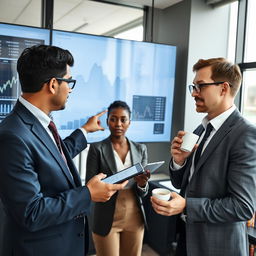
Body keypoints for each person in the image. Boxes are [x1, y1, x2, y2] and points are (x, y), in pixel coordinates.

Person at [0, 45, 128, 256]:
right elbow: (31, 213)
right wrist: (88, 194)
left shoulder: (36, 122)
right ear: (52, 85)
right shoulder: (12, 136)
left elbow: (52, 158)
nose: (70, 89)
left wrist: (84, 131)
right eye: (69, 82)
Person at [151, 57, 256, 256]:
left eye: (200, 86)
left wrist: (186, 206)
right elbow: (182, 181)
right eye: (193, 87)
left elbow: (242, 207)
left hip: (218, 247)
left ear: (223, 88)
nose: (194, 93)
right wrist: (178, 162)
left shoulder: (246, 134)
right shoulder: (201, 128)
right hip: (188, 239)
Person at [86, 100, 150, 256]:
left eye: (123, 119)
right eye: (113, 119)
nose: (118, 124)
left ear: (129, 122)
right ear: (107, 121)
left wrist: (142, 184)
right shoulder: (97, 149)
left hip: (134, 215)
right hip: (107, 215)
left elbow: (144, 192)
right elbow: (90, 185)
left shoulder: (140, 149)